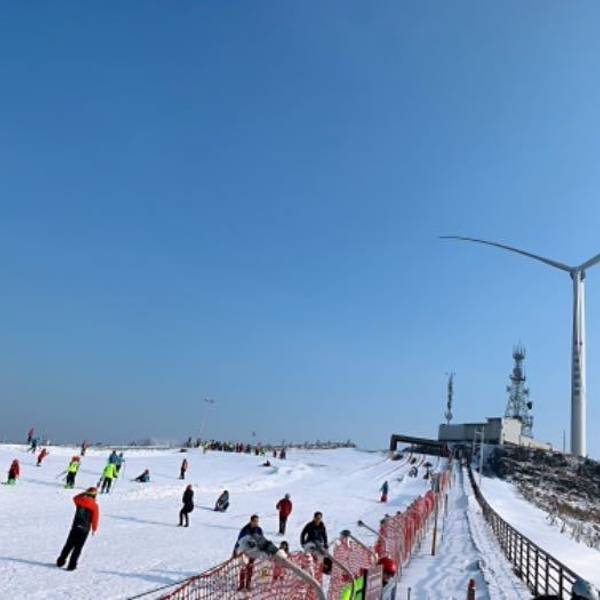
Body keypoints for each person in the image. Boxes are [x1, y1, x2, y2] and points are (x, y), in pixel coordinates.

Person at [56, 487, 99, 571]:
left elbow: (75, 497)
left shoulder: (80, 501)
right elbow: (95, 518)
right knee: (78, 548)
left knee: (68, 545)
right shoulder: (94, 505)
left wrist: (83, 494)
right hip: (85, 529)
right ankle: (71, 565)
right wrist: (94, 528)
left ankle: (60, 561)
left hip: (75, 526)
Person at [234, 515, 263, 591]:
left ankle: (248, 585)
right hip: (244, 551)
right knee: (243, 567)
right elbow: (239, 540)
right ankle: (241, 585)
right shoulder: (245, 530)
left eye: (257, 521)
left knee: (250, 568)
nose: (256, 523)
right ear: (251, 521)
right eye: (255, 521)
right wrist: (235, 550)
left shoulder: (259, 530)